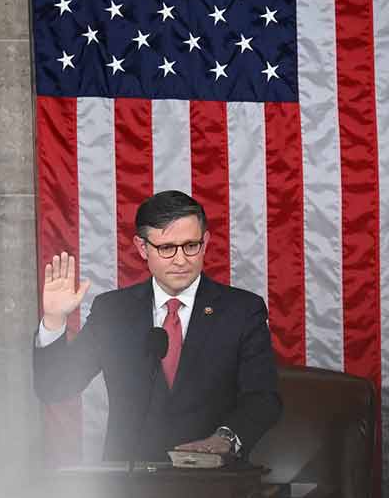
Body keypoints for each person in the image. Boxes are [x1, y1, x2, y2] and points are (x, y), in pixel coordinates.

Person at [34, 190, 281, 464]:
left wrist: (224, 439)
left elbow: (262, 399)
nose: (180, 259)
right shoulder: (113, 312)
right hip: (129, 485)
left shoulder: (242, 310)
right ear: (142, 248)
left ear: (206, 242)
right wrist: (54, 320)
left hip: (214, 484)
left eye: (191, 246)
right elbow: (55, 387)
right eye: (166, 248)